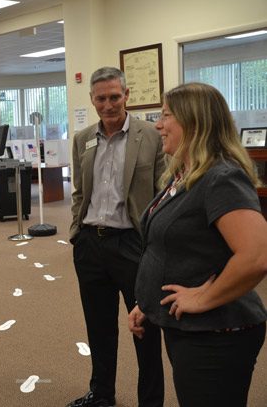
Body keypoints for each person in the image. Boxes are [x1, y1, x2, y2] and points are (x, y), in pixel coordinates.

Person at [129, 82, 267, 406]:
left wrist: (203, 298)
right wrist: (147, 303)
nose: (158, 125)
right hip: (186, 326)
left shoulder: (221, 178)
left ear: (194, 122)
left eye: (166, 116)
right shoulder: (184, 176)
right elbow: (173, 249)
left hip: (217, 333)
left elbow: (257, 255)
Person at [68, 67, 165, 407]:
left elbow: (161, 192)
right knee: (99, 326)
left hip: (133, 245)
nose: (107, 105)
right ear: (92, 100)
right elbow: (81, 192)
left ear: (126, 96)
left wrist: (154, 246)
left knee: (145, 328)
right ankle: (102, 394)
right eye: (100, 98)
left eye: (114, 97)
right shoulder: (83, 139)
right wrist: (76, 234)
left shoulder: (150, 135)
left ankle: (151, 401)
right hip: (91, 244)